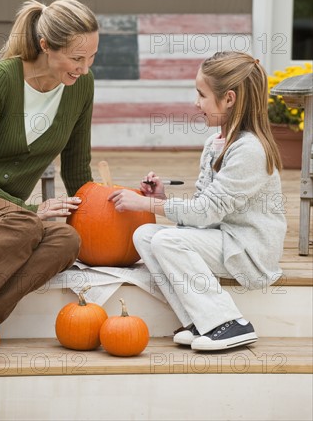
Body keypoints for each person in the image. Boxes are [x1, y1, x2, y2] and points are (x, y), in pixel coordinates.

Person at [109, 51, 287, 351]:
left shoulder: (249, 151)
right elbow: (207, 207)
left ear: (228, 99)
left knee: (167, 241)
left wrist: (146, 205)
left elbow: (206, 213)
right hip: (223, 237)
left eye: (202, 95)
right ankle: (199, 320)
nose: (196, 103)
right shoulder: (214, 143)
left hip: (249, 251)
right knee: (145, 235)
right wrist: (162, 199)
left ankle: (228, 323)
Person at [0, 0, 99, 327]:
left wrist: (108, 211)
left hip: (5, 220)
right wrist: (27, 210)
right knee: (26, 224)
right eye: (76, 58)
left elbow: (76, 170)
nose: (85, 68)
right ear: (46, 45)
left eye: (91, 57)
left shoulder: (81, 86)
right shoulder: (1, 79)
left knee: (65, 241)